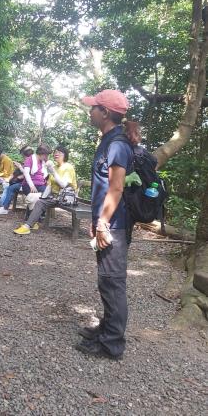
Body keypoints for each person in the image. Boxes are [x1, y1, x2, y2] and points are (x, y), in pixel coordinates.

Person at [75, 89, 136, 360]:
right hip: (106, 222)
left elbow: (116, 188)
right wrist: (96, 221)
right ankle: (106, 328)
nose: (91, 112)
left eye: (94, 108)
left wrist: (102, 223)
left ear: (106, 113)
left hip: (115, 225)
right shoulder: (108, 140)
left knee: (112, 282)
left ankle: (112, 344)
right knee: (105, 281)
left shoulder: (117, 144)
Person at [13, 145, 78, 234]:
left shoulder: (68, 167)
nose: (56, 154)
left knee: (38, 201)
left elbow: (63, 185)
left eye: (59, 152)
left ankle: (29, 224)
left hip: (66, 198)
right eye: (55, 152)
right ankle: (28, 226)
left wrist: (52, 171)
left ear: (65, 155)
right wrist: (43, 196)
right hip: (55, 196)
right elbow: (49, 185)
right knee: (33, 198)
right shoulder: (55, 167)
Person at [0, 144, 50, 215]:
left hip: (37, 184)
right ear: (41, 154)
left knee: (46, 195)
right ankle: (3, 207)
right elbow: (26, 174)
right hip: (28, 184)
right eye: (46, 155)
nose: (46, 157)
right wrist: (31, 184)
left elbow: (44, 175)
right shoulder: (29, 159)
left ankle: (40, 213)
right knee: (10, 188)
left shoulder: (42, 162)